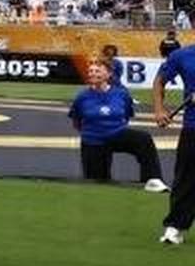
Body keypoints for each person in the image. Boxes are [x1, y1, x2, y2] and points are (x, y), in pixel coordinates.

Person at [70, 60, 166, 190]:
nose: (93, 74)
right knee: (97, 183)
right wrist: (92, 132)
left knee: (143, 139)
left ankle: (152, 180)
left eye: (97, 71)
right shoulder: (82, 97)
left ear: (108, 74)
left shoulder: (121, 94)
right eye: (90, 71)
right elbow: (76, 120)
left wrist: (113, 128)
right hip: (93, 141)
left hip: (116, 134)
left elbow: (126, 115)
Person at [154, 35, 195, 244]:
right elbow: (160, 80)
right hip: (192, 127)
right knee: (185, 179)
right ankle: (175, 226)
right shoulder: (182, 55)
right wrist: (160, 109)